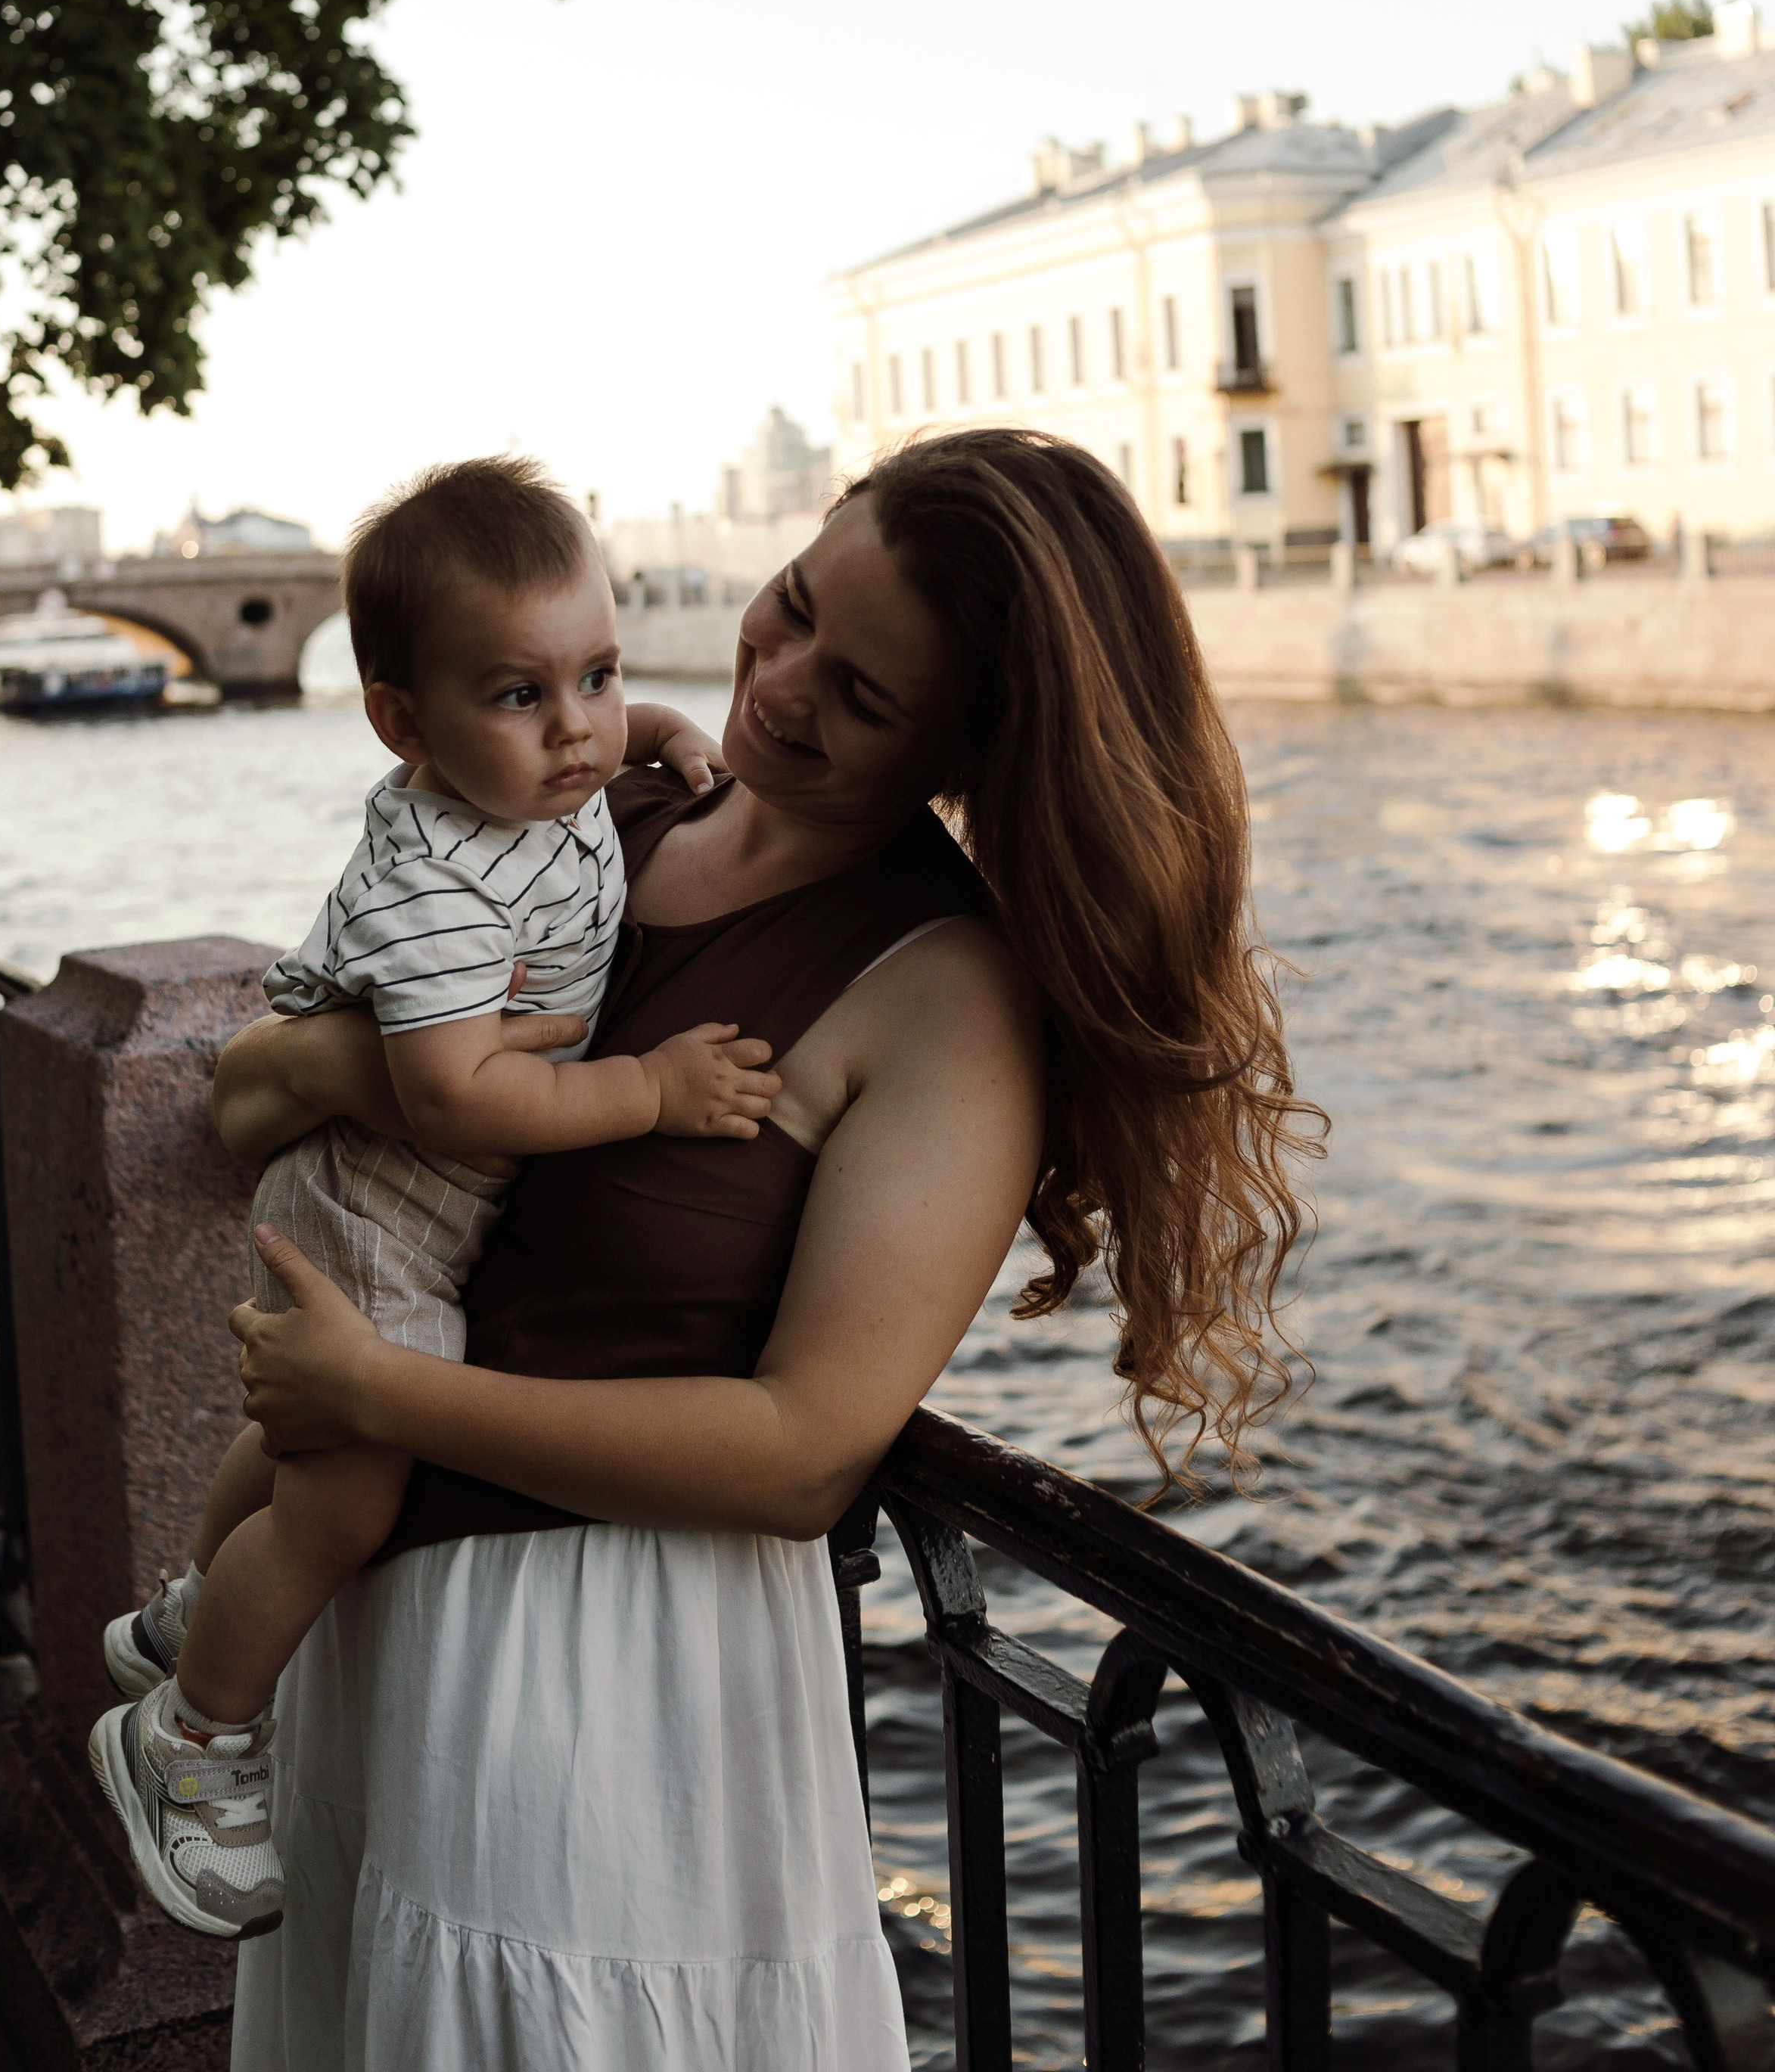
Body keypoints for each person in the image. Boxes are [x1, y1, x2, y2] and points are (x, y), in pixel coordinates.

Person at [211, 428, 1314, 2069]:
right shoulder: (591, 814)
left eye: (860, 696)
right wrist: (393, 1083)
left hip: (616, 1689)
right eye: (793, 608)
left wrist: (377, 1392)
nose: (780, 683)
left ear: (968, 746)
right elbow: (246, 1097)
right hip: (373, 1648)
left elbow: (803, 1454)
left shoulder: (946, 997)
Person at [89, 457, 779, 1938]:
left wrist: (653, 727)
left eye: (597, 674)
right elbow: (454, 1094)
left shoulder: (541, 772)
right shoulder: (435, 882)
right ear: (402, 719)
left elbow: (587, 733)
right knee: (344, 1493)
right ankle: (191, 1738)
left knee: (291, 1433)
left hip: (394, 1195)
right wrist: (649, 1093)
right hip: (379, 1199)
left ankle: (185, 1607)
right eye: (522, 695)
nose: (579, 727)